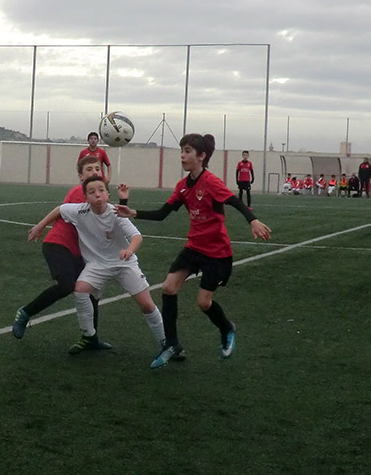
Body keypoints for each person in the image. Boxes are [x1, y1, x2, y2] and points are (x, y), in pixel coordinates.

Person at [116, 133, 271, 369]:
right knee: (168, 287)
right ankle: (172, 344)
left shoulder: (211, 182)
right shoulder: (182, 187)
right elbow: (162, 214)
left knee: (203, 302)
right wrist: (133, 212)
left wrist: (253, 220)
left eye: (187, 151)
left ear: (201, 156)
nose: (182, 155)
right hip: (193, 248)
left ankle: (227, 327)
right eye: (182, 150)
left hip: (217, 253)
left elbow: (235, 201)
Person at [26, 176, 166, 357]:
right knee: (80, 290)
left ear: (108, 194)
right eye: (91, 192)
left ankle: (166, 341)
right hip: (97, 265)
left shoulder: (116, 213)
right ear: (85, 198)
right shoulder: (80, 211)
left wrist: (129, 251)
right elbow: (60, 209)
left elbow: (137, 236)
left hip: (123, 263)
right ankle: (89, 336)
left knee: (146, 305)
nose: (97, 195)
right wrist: (40, 225)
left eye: (101, 190)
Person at [12, 155, 127, 352]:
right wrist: (40, 226)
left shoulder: (98, 195)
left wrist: (124, 200)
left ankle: (90, 338)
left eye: (97, 169)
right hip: (58, 244)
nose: (94, 172)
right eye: (89, 170)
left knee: (91, 290)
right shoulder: (79, 193)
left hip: (79, 252)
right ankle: (25, 313)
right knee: (67, 285)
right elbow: (60, 210)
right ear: (81, 177)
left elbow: (114, 220)